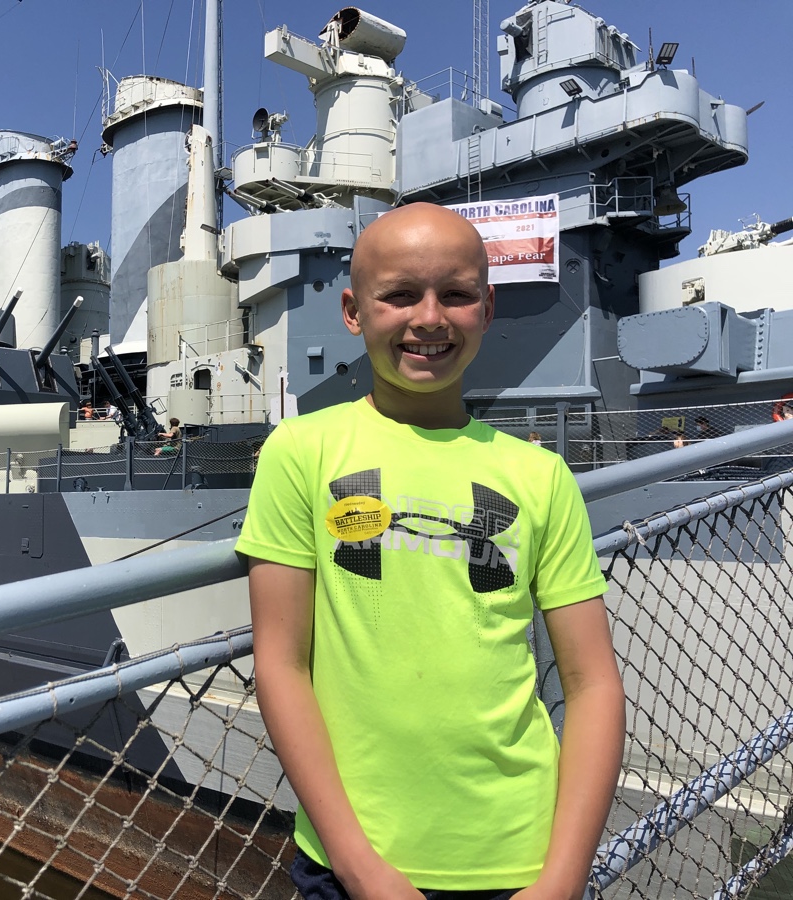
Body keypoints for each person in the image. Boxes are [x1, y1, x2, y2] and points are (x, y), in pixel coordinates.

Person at [235, 203, 624, 900]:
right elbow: (281, 663)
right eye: (400, 295)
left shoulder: (540, 476)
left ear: (487, 307)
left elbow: (594, 686)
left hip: (521, 862)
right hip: (353, 866)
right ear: (354, 312)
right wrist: (361, 867)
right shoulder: (300, 452)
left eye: (456, 294)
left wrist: (561, 879)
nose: (429, 318)